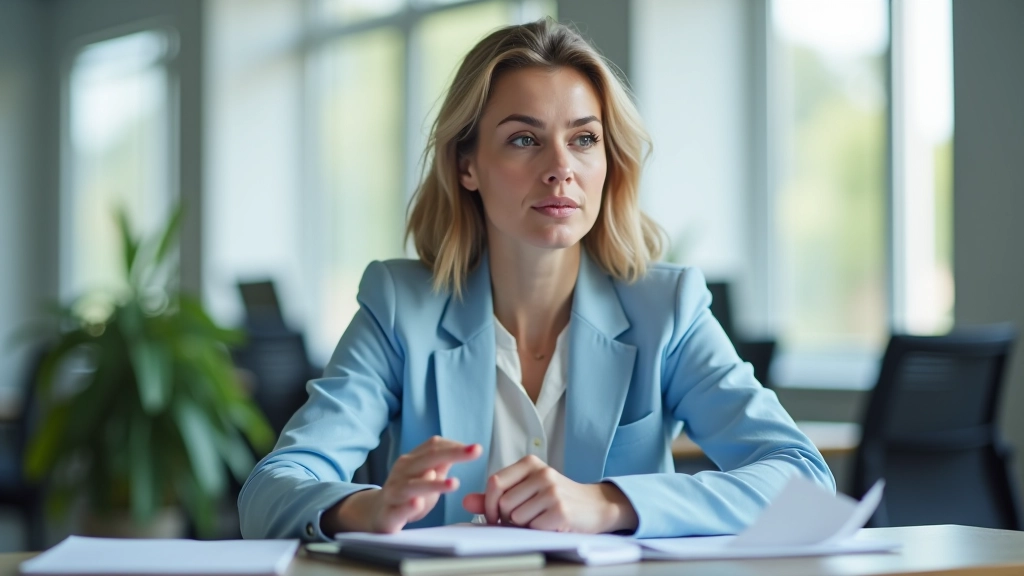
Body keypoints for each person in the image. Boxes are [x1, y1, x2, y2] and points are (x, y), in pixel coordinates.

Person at [238, 17, 834, 541]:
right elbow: (271, 489)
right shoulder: (400, 308)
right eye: (524, 139)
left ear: (608, 162)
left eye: (583, 139)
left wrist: (607, 503)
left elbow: (803, 478)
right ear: (467, 165)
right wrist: (366, 508)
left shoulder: (667, 310)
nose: (559, 169)